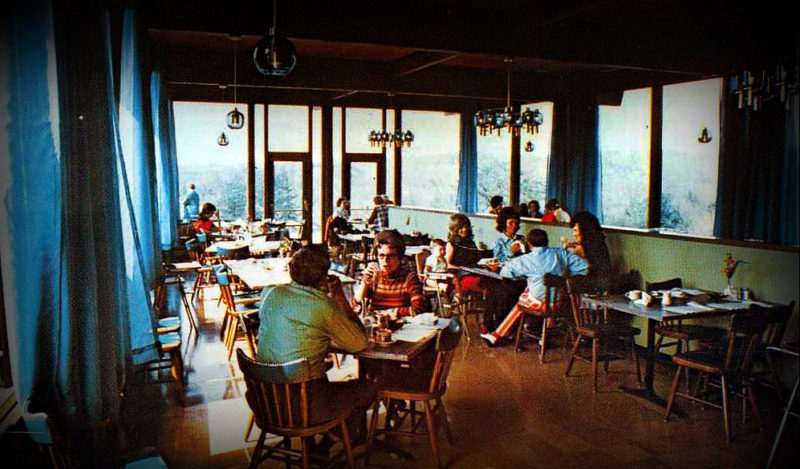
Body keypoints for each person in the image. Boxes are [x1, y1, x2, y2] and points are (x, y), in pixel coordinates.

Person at [256, 247, 373, 451]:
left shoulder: (270, 292)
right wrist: (336, 293)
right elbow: (360, 344)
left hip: (266, 402)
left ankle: (326, 440)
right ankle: (338, 438)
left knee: (318, 377)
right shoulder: (324, 306)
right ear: (323, 277)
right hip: (304, 408)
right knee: (367, 388)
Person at [480, 229, 588, 347]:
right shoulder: (561, 253)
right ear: (547, 241)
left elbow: (505, 272)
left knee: (521, 302)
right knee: (535, 297)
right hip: (559, 302)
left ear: (529, 244)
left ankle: (498, 335)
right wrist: (566, 276)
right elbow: (584, 267)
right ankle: (545, 335)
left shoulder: (526, 259)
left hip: (538, 303)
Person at [353, 229, 426, 317]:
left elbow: (419, 310)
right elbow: (356, 307)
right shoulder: (374, 277)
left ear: (400, 256)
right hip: (378, 327)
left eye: (391, 256)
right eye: (381, 256)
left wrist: (391, 312)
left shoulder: (410, 278)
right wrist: (364, 283)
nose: (385, 261)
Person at [563, 211, 612, 291]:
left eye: (575, 230)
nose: (573, 234)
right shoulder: (599, 242)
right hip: (603, 284)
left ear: (584, 230)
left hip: (592, 286)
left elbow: (565, 268)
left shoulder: (582, 248)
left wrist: (565, 249)